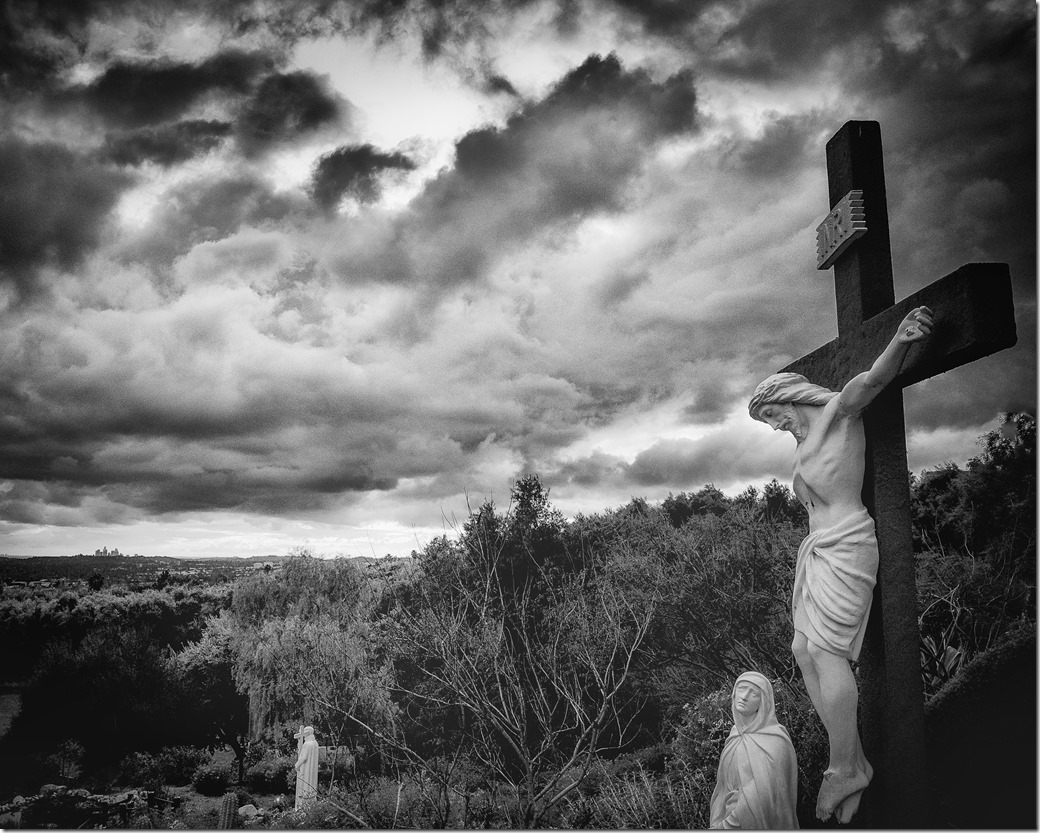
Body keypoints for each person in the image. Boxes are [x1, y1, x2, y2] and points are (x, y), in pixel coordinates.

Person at [748, 306, 933, 823]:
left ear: (790, 396)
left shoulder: (839, 415)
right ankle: (849, 760)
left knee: (827, 654)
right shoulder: (803, 444)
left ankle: (843, 767)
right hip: (818, 551)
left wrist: (902, 338)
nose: (775, 425)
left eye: (772, 415)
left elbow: (873, 381)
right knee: (802, 650)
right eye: (767, 421)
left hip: (848, 544)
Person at [709, 671, 799, 829]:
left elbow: (762, 797)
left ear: (763, 702)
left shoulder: (775, 740)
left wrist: (724, 827)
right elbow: (722, 787)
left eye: (754, 694)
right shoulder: (734, 734)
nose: (744, 697)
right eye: (742, 689)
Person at [293, 725, 320, 810]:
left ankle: (302, 807)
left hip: (306, 769)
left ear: (308, 733)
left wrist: (297, 765)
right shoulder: (315, 743)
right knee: (310, 787)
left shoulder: (307, 744)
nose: (303, 734)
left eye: (304, 732)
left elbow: (303, 757)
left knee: (304, 786)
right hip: (312, 771)